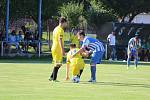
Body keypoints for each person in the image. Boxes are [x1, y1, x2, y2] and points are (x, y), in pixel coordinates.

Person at [49, 17, 67, 82]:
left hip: (54, 47)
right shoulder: (60, 30)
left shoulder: (55, 29)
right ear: (63, 22)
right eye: (66, 23)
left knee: (59, 64)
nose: (66, 24)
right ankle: (54, 78)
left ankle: (51, 77)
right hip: (57, 48)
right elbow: (60, 39)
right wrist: (62, 50)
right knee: (57, 64)